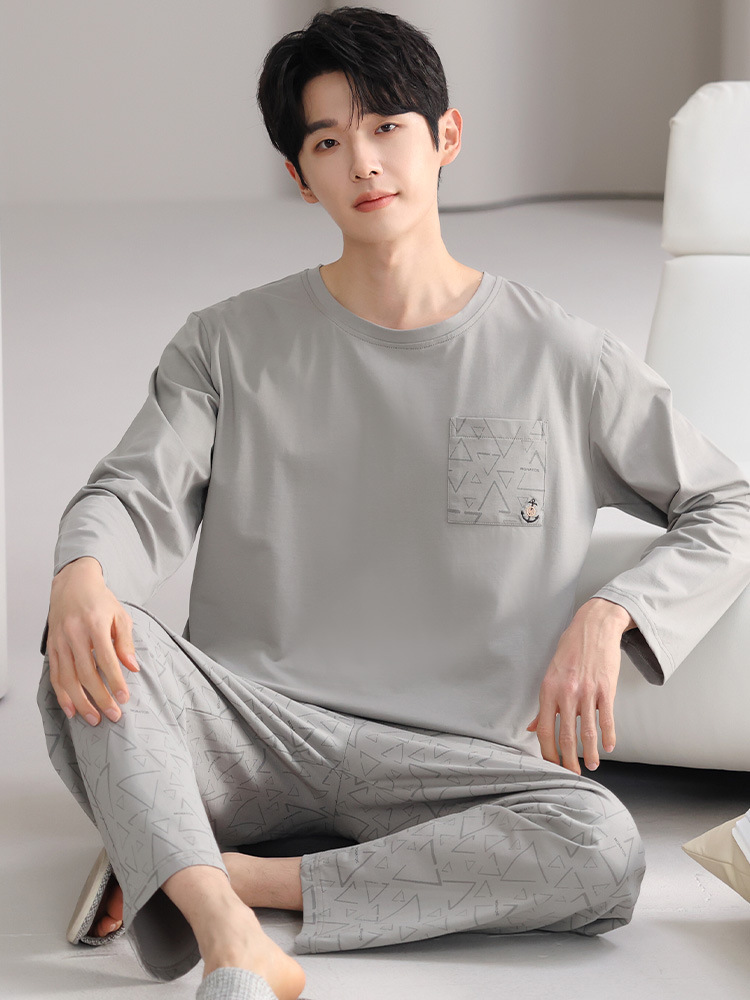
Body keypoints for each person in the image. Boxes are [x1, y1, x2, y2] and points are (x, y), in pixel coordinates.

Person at [37, 7, 750, 1000]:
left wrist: (613, 613)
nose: (364, 162)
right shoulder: (226, 344)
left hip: (452, 763)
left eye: (386, 128)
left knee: (602, 846)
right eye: (328, 142)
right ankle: (226, 937)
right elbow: (130, 494)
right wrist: (80, 571)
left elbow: (729, 503)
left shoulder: (563, 357)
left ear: (445, 136)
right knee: (93, 650)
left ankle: (223, 879)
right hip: (252, 732)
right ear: (301, 176)